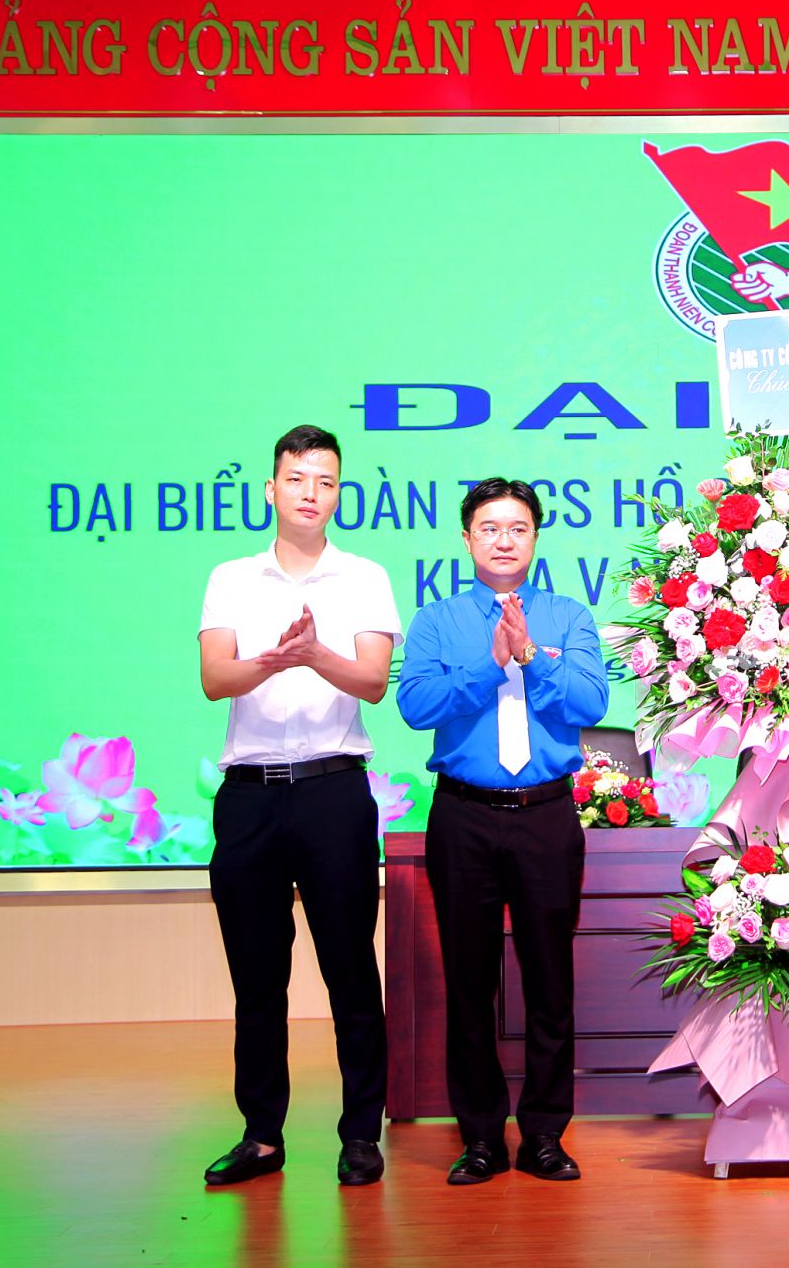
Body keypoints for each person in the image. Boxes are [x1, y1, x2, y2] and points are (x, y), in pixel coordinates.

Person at [197, 424, 401, 1188]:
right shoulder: (230, 577)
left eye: (326, 481)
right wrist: (273, 660)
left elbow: (373, 680)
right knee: (257, 978)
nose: (311, 492)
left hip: (332, 793)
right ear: (271, 488)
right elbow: (215, 678)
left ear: (339, 493)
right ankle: (262, 1135)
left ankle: (361, 1133)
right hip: (249, 798)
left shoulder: (365, 577)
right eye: (297, 478)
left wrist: (315, 654)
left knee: (351, 970)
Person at [397, 477, 610, 1185]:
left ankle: (544, 1134)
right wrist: (488, 664)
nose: (503, 540)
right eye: (489, 528)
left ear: (536, 538)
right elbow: (416, 705)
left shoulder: (568, 615)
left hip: (546, 814)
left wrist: (530, 659)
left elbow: (590, 700)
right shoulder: (437, 620)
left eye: (518, 527)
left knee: (550, 979)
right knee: (469, 981)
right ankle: (481, 1137)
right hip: (463, 815)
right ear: (467, 539)